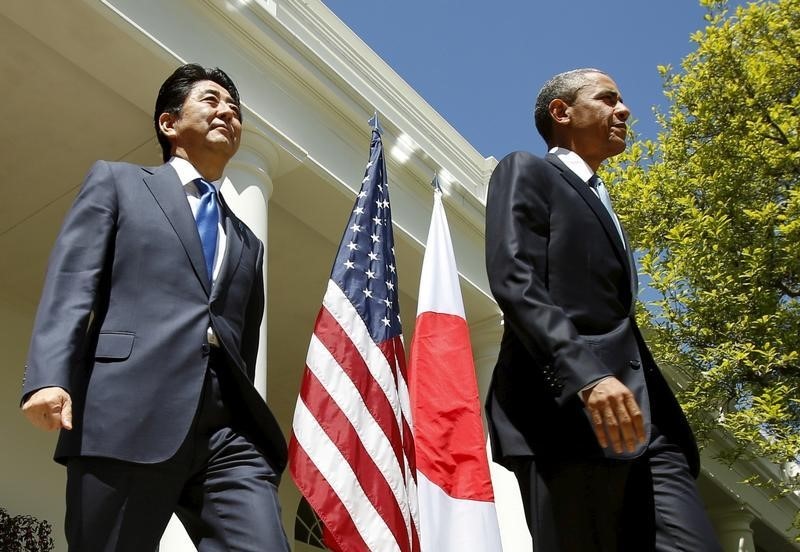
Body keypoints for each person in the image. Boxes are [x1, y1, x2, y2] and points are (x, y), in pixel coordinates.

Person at [20, 63, 289, 552]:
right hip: (125, 410)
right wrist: (48, 376)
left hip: (225, 430)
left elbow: (241, 340)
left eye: (235, 107)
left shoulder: (249, 241)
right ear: (169, 123)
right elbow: (74, 281)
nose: (227, 111)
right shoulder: (119, 183)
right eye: (211, 100)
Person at [484, 68, 721, 551]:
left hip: (650, 426)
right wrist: (586, 376)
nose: (625, 109)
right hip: (566, 415)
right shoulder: (526, 169)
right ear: (561, 111)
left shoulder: (603, 200)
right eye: (608, 98)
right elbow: (515, 278)